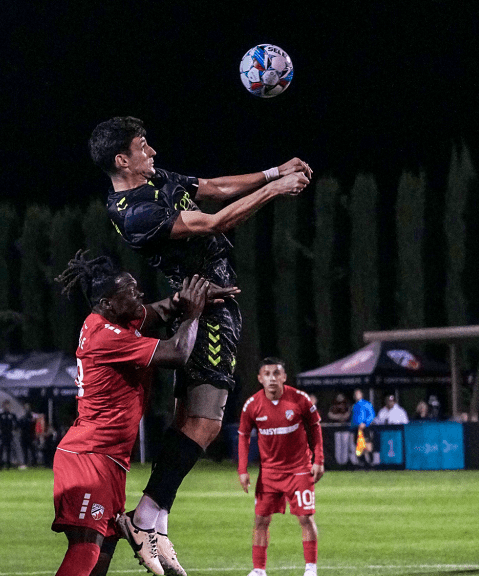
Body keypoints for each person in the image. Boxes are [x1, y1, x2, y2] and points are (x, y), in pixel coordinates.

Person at [90, 116, 311, 563]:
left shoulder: (153, 182)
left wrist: (271, 171)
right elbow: (212, 222)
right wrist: (273, 190)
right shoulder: (136, 212)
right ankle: (145, 515)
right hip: (206, 307)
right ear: (122, 159)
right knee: (206, 423)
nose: (152, 151)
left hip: (210, 302)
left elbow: (209, 187)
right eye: (143, 145)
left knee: (186, 421)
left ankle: (157, 523)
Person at [52, 251, 228, 576]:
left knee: (101, 558)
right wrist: (193, 313)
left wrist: (185, 297)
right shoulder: (106, 337)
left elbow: (157, 311)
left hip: (109, 461)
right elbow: (177, 352)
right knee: (85, 551)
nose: (140, 296)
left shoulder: (109, 319)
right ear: (108, 303)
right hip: (89, 459)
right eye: (131, 293)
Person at [237, 358, 324, 576]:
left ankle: (311, 569)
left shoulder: (300, 399)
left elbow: (315, 428)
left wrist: (319, 460)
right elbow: (243, 436)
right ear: (260, 379)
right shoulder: (252, 405)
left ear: (284, 377)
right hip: (269, 473)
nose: (272, 378)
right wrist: (242, 470)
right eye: (267, 374)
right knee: (261, 520)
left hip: (299, 469)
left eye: (276, 373)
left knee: (305, 518)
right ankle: (258, 571)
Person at [349, 389, 375, 465]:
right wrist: (352, 427)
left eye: (358, 394)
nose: (356, 395)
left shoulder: (367, 404)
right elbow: (353, 418)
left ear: (361, 394)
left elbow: (371, 415)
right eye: (355, 394)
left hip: (365, 428)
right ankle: (363, 463)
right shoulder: (354, 406)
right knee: (359, 446)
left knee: (367, 445)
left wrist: (365, 423)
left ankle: (371, 462)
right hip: (356, 429)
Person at [326, 393, 353, 465]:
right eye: (339, 400)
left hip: (345, 428)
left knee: (345, 446)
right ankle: (339, 463)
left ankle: (344, 462)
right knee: (338, 446)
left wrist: (343, 417)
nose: (340, 402)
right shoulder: (334, 406)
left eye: (341, 400)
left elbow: (348, 414)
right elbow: (330, 415)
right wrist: (339, 417)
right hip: (337, 428)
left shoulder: (346, 406)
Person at [0, 400, 18, 468]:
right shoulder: (0, 415)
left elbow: (17, 423)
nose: (7, 407)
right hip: (2, 434)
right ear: (3, 406)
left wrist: (14, 430)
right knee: (1, 449)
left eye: (8, 405)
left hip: (9, 434)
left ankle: (8, 464)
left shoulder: (12, 415)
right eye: (5, 405)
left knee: (9, 449)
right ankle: (0, 464)